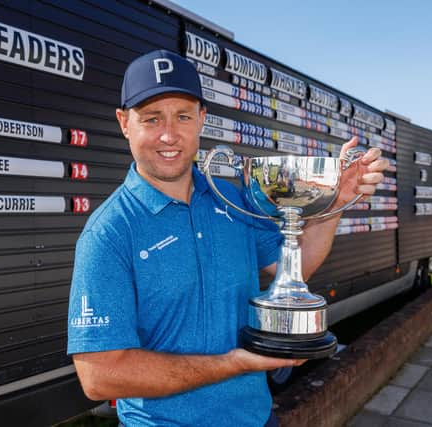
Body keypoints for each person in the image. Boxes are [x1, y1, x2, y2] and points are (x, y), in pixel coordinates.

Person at [67, 49, 388, 427]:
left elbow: (296, 270)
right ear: (124, 123)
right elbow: (100, 375)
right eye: (152, 118)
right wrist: (232, 364)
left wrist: (337, 201)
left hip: (256, 419)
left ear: (202, 119)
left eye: (183, 116)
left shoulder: (232, 199)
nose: (169, 135)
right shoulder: (109, 232)